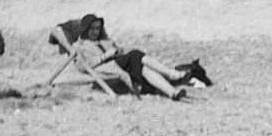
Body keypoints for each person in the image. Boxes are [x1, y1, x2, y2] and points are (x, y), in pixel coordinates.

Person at [52, 14, 188, 100]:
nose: (96, 31)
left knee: (144, 69)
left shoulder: (104, 40)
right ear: (85, 29)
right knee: (136, 54)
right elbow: (83, 66)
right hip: (106, 67)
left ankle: (173, 93)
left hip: (120, 63)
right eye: (92, 28)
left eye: (98, 28)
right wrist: (106, 55)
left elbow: (118, 50)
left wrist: (117, 50)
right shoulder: (79, 46)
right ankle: (171, 73)